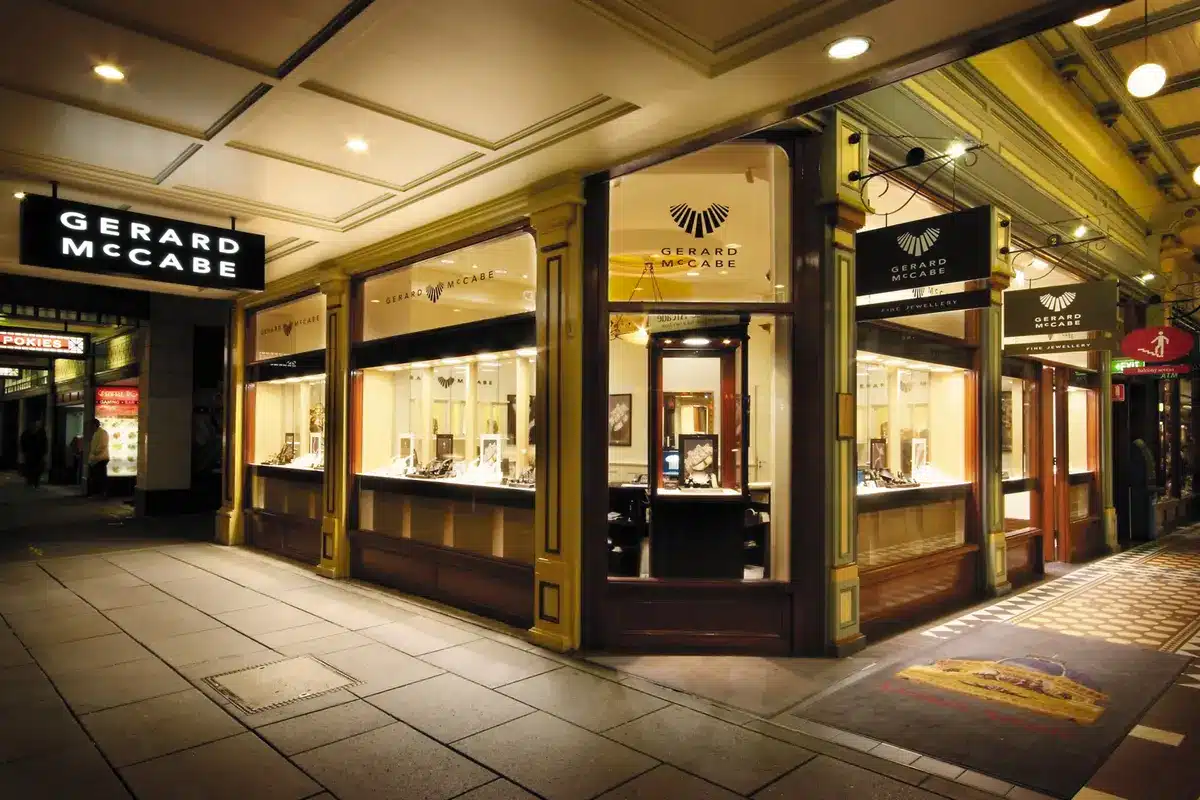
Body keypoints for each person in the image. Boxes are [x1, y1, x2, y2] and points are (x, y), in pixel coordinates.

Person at [19, 419, 47, 488]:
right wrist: (24, 452)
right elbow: (23, 443)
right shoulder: (27, 434)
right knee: (31, 468)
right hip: (31, 454)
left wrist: (43, 453)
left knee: (36, 469)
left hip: (37, 454)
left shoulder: (41, 433)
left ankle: (34, 482)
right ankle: (31, 481)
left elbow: (44, 444)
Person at [87, 418, 110, 497]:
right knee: (97, 477)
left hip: (101, 459)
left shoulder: (102, 433)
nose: (90, 428)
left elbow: (102, 446)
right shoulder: (97, 433)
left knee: (100, 477)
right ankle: (98, 493)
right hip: (96, 459)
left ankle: (102, 493)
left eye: (91, 426)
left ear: (95, 425)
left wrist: (94, 453)